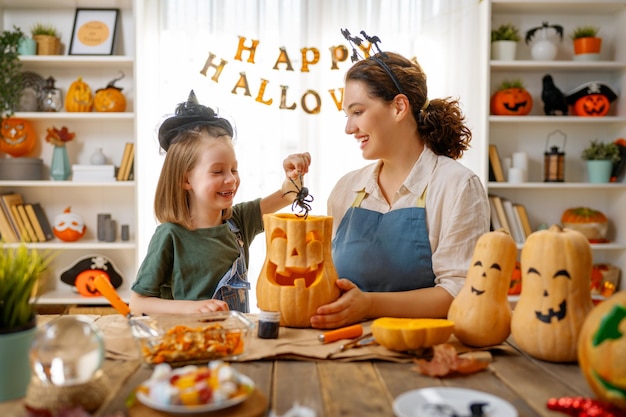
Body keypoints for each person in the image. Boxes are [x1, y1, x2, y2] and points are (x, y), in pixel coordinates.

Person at [310, 45, 490, 329]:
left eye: (357, 112)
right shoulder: (347, 189)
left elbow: (460, 292)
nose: (349, 128)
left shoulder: (457, 186)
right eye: (347, 115)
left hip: (422, 354)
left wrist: (369, 305)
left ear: (399, 107)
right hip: (344, 346)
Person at [130, 91, 311, 315]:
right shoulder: (170, 236)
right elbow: (138, 304)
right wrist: (192, 308)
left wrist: (294, 174)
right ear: (186, 180)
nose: (231, 179)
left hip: (236, 342)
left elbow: (289, 194)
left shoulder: (240, 221)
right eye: (217, 171)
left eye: (233, 169)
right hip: (188, 344)